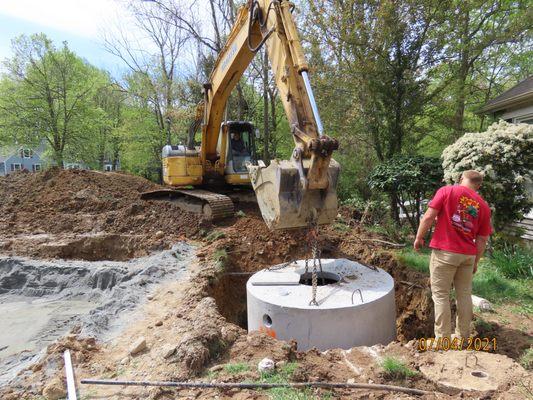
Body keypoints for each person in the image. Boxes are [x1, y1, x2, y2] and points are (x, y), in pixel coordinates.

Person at [414, 170, 492, 340]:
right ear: (478, 185)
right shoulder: (483, 206)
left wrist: (419, 237)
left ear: (462, 179)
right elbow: (482, 239)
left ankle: (442, 340)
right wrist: (476, 262)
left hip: (445, 252)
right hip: (467, 256)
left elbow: (428, 216)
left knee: (441, 295)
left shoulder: (447, 191)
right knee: (464, 295)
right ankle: (462, 338)